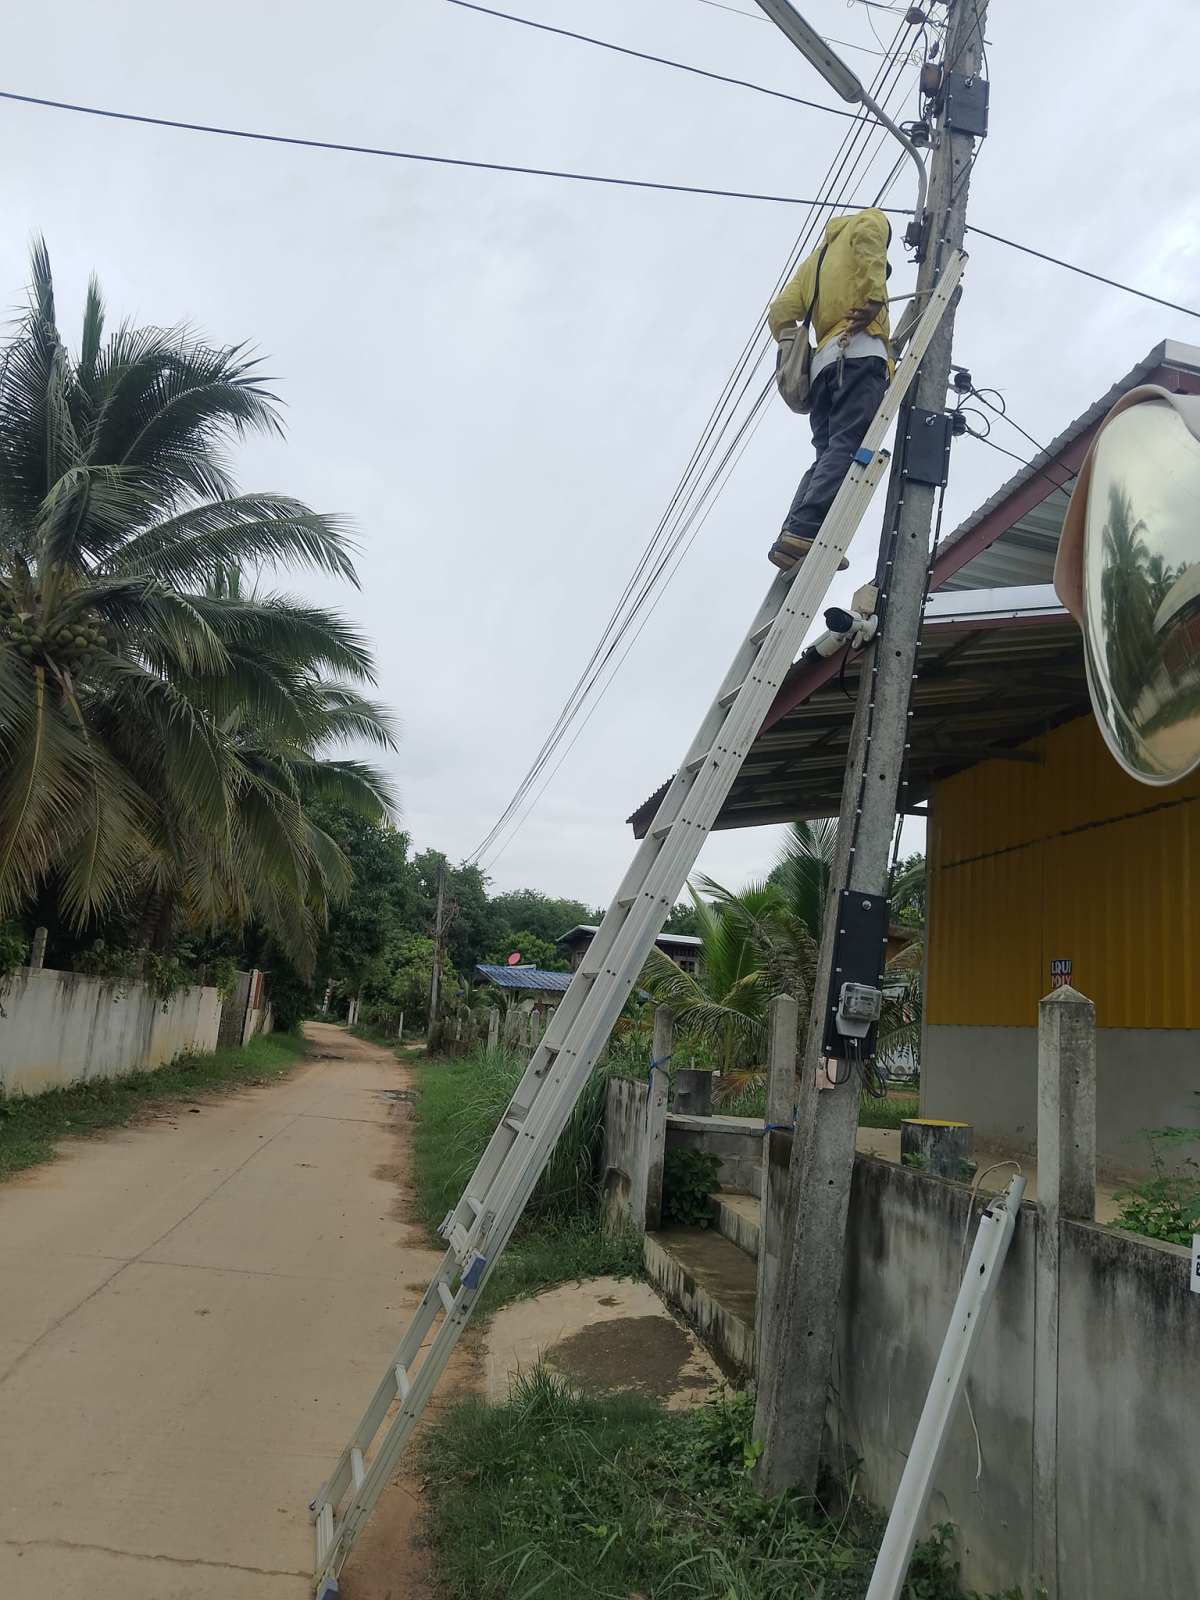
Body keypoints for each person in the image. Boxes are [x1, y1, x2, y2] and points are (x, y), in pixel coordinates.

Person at [767, 207, 892, 571]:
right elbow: (871, 248)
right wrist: (874, 299)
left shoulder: (814, 261)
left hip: (821, 363)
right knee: (847, 444)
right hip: (859, 350)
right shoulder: (871, 219)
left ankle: (794, 533)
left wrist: (798, 345)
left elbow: (780, 311)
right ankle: (807, 529)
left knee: (825, 452)